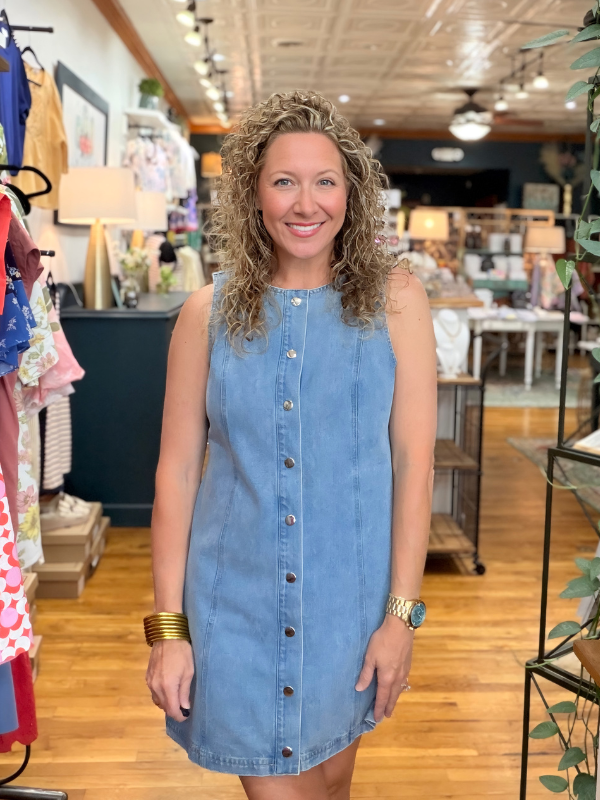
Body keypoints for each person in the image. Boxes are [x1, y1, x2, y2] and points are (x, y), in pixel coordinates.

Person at [145, 90, 437, 800]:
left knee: (332, 788)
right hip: (233, 613)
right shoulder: (204, 314)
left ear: (352, 194)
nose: (305, 204)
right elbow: (177, 475)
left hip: (351, 613)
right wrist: (167, 630)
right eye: (283, 181)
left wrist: (401, 617)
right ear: (253, 195)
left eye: (325, 180)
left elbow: (414, 466)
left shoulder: (398, 302)